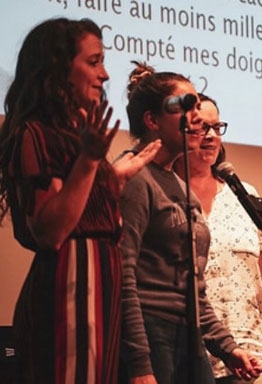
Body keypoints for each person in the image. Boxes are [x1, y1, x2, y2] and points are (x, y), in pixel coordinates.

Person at [0, 18, 161, 384]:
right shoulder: (36, 133)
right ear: (57, 68)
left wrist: (113, 179)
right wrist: (90, 162)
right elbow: (51, 231)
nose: (105, 75)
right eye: (94, 62)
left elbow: (81, 211)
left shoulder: (72, 134)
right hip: (70, 296)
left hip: (98, 293)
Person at [118, 61, 262, 384]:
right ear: (151, 120)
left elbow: (192, 287)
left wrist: (227, 347)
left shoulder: (181, 188)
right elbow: (121, 276)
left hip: (190, 338)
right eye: (185, 106)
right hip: (151, 336)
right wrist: (140, 364)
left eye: (197, 105)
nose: (197, 117)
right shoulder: (134, 177)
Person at [174, 93, 262, 383]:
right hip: (189, 360)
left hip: (253, 360)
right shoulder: (163, 194)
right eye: (200, 128)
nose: (211, 136)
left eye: (217, 127)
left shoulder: (242, 194)